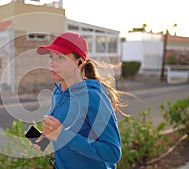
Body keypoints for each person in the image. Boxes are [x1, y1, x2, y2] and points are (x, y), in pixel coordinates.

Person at [34, 32, 127, 169]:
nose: (52, 63)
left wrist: (62, 135)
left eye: (60, 57)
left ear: (79, 62)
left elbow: (112, 153)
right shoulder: (58, 93)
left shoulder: (93, 97)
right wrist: (45, 137)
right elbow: (66, 135)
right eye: (51, 57)